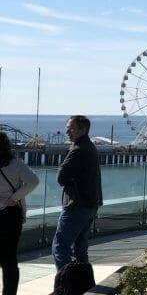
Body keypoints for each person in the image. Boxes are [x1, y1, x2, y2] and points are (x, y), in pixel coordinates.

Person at [52, 115, 103, 270]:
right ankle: (84, 284)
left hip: (77, 204)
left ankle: (66, 285)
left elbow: (61, 176)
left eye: (71, 129)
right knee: (80, 249)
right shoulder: (89, 146)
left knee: (60, 246)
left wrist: (68, 181)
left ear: (83, 130)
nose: (67, 132)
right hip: (90, 203)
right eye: (67, 128)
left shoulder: (79, 149)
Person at [0, 132, 39, 295]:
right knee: (9, 259)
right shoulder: (16, 165)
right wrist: (14, 198)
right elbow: (34, 181)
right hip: (11, 214)